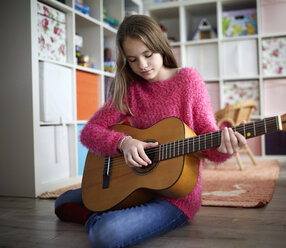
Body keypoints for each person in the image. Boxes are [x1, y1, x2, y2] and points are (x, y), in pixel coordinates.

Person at [54, 14, 248, 248]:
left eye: (148, 55)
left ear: (161, 48)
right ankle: (100, 214)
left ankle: (97, 218)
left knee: (106, 234)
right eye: (133, 59)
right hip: (132, 186)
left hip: (176, 198)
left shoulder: (189, 81)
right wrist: (123, 142)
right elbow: (89, 132)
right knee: (62, 202)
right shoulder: (130, 89)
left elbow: (208, 142)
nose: (143, 66)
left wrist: (225, 148)